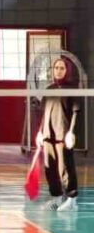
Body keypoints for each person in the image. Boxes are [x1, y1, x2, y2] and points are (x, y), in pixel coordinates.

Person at [37, 56, 80, 212]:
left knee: (65, 167)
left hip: (63, 133)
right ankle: (56, 197)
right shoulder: (49, 89)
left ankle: (72, 199)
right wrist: (39, 133)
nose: (59, 71)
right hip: (48, 134)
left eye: (62, 68)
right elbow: (44, 113)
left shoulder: (73, 89)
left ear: (67, 70)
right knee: (49, 167)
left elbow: (75, 112)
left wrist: (71, 132)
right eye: (56, 68)